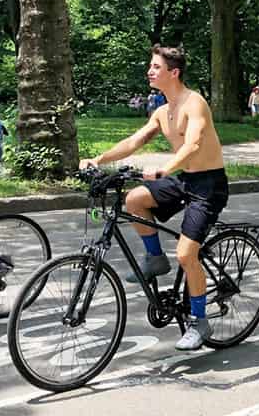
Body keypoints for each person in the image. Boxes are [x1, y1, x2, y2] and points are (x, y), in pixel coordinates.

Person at [79, 45, 228, 351]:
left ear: (174, 72)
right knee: (134, 199)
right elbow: (135, 141)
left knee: (187, 255)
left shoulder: (194, 103)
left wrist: (163, 169)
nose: (150, 71)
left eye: (156, 67)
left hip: (208, 184)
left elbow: (193, 144)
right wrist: (98, 159)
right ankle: (155, 259)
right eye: (151, 66)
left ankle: (199, 322)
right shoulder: (162, 111)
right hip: (183, 178)